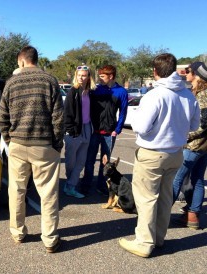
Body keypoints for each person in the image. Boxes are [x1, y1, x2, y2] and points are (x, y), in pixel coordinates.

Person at [118, 53, 200, 258]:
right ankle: (159, 237)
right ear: (173, 70)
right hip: (176, 153)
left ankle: (144, 242)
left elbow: (141, 127)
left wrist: (136, 118)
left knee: (146, 199)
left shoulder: (154, 95)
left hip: (152, 153)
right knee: (164, 197)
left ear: (155, 71)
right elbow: (195, 126)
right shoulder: (189, 95)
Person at [0, 45, 64, 253]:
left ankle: (18, 232)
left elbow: (2, 116)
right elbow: (58, 118)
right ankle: (50, 239)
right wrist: (57, 143)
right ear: (36, 59)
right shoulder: (50, 81)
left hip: (18, 144)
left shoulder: (11, 82)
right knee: (48, 193)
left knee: (16, 191)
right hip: (44, 146)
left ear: (22, 60)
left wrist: (9, 139)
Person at [77, 65, 128, 196]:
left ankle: (102, 185)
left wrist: (117, 129)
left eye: (102, 76)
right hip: (94, 131)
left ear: (110, 76)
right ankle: (86, 184)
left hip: (110, 133)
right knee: (89, 160)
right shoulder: (96, 89)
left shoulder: (121, 92)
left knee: (105, 164)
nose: (99, 78)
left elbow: (123, 112)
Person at [172, 61, 207, 229]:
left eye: (188, 71)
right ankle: (193, 216)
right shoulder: (198, 92)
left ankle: (160, 215)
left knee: (176, 179)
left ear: (196, 75)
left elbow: (203, 125)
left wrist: (184, 137)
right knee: (198, 179)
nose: (186, 73)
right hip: (204, 147)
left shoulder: (203, 95)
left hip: (194, 146)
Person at [63, 65, 96, 198]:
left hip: (87, 128)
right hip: (74, 130)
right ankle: (70, 182)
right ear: (76, 76)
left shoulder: (90, 92)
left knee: (81, 161)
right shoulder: (72, 91)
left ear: (89, 77)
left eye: (84, 75)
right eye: (79, 75)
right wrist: (70, 130)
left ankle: (70, 186)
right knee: (71, 161)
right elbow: (67, 113)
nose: (81, 78)